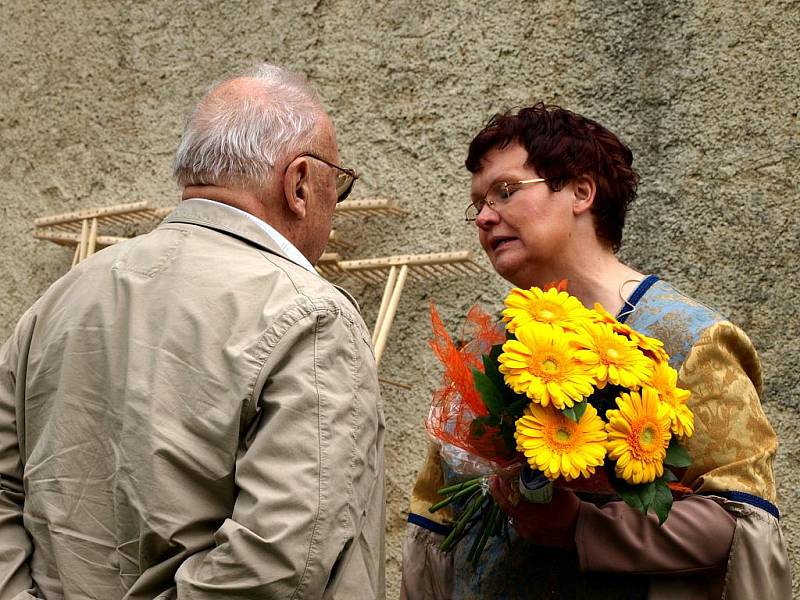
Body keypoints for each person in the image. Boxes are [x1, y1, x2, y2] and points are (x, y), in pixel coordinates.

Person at [0, 63, 385, 599]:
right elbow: (278, 564)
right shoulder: (313, 318)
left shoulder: (62, 297)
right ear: (298, 183)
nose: (333, 210)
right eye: (335, 188)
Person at [401, 103, 789, 599]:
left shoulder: (689, 339)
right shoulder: (486, 353)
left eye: (505, 191)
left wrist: (582, 527)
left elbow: (741, 522)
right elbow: (435, 519)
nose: (483, 217)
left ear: (581, 192)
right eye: (477, 203)